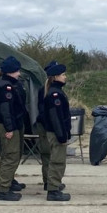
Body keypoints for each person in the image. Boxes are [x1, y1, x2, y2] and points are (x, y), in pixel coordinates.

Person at [0, 56, 26, 201]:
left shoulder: (11, 84)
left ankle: (9, 181)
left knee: (14, 154)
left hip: (14, 123)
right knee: (10, 156)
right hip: (8, 124)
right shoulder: (5, 86)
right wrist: (9, 128)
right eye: (17, 71)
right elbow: (5, 109)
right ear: (10, 72)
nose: (19, 74)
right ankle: (3, 190)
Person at [40, 62, 72, 201]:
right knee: (57, 161)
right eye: (63, 75)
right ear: (55, 77)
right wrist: (61, 135)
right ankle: (53, 190)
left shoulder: (55, 91)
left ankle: (54, 186)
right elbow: (56, 117)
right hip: (56, 132)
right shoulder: (55, 94)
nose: (65, 77)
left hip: (56, 131)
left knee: (57, 160)